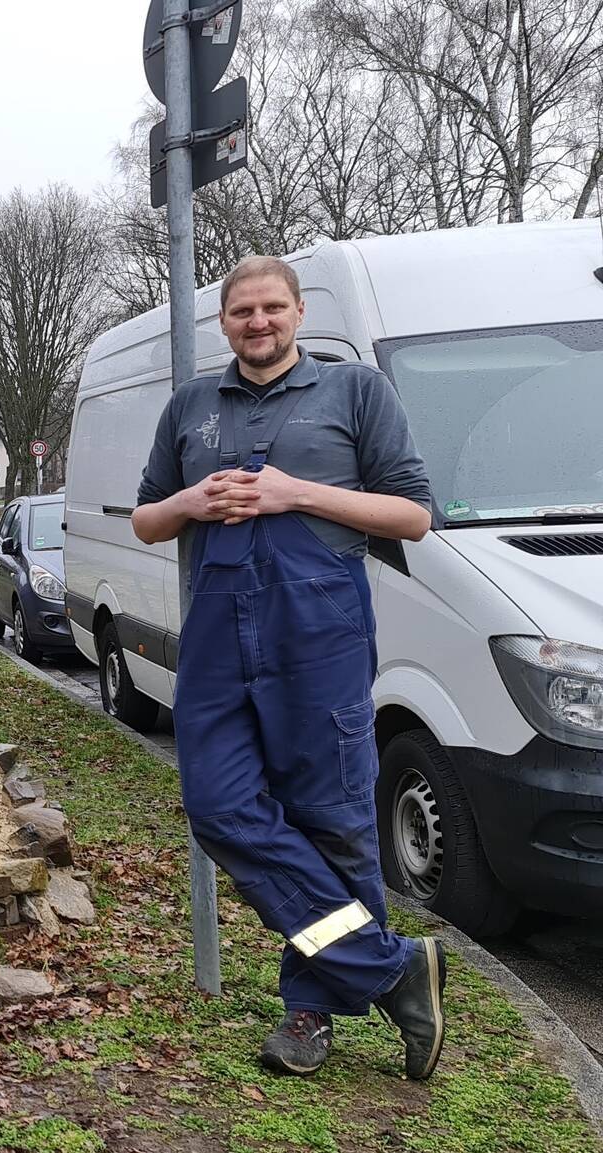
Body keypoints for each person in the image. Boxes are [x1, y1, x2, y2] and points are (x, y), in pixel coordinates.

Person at [132, 255, 447, 1079]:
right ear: (225, 322)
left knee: (332, 822)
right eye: (243, 311)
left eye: (273, 307)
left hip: (321, 639)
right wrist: (190, 504)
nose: (258, 322)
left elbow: (412, 514)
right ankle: (390, 967)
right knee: (218, 806)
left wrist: (294, 492)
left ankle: (307, 1013)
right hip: (216, 642)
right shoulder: (191, 407)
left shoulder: (355, 392)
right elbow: (144, 518)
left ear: (299, 313)